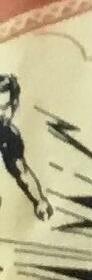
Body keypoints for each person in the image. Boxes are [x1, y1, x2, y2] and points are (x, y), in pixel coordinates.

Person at [0, 71, 51, 223]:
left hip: (6, 135)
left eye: (4, 107)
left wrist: (40, 201)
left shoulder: (9, 132)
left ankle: (41, 202)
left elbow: (22, 171)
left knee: (20, 169)